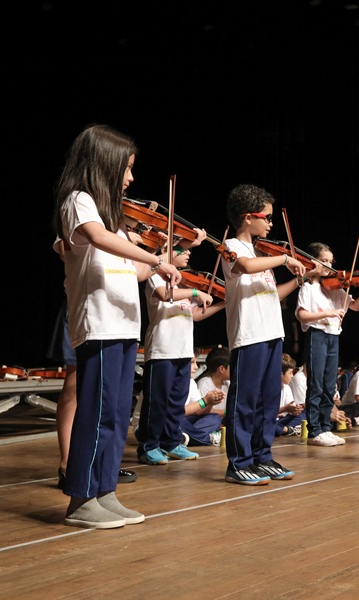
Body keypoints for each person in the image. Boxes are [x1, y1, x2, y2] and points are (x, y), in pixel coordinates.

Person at [53, 124, 182, 529]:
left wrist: (167, 261)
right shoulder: (78, 202)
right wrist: (154, 256)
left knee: (116, 414)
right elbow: (96, 239)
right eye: (126, 169)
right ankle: (80, 499)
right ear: (104, 165)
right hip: (100, 324)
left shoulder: (117, 222)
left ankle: (105, 490)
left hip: (125, 325)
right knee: (96, 413)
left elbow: (134, 271)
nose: (130, 178)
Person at [221, 184, 307, 485]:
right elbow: (245, 266)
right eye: (266, 217)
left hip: (272, 333)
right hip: (249, 335)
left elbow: (272, 294)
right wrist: (285, 259)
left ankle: (262, 456)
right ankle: (239, 462)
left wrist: (297, 282)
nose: (270, 223)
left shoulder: (260, 253)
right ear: (248, 217)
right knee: (245, 400)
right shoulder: (231, 246)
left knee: (268, 400)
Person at [137, 244, 223, 465]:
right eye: (183, 250)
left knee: (176, 401)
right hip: (162, 348)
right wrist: (195, 292)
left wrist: (223, 303)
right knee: (157, 401)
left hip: (184, 349)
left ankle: (172, 442)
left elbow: (194, 314)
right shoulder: (156, 275)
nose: (188, 253)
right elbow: (164, 295)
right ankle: (149, 445)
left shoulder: (184, 283)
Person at [48, 300, 138, 489]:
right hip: (86, 308)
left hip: (112, 314)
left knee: (109, 389)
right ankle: (66, 464)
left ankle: (103, 466)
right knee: (73, 385)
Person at [295, 242, 359, 447]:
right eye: (323, 260)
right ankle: (315, 430)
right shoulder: (308, 287)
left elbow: (357, 306)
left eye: (330, 261)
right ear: (313, 261)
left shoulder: (335, 288)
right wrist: (328, 313)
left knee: (329, 384)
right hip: (317, 334)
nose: (328, 265)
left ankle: (326, 427)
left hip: (333, 335)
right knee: (315, 383)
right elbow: (302, 315)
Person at [182, 353, 225, 446]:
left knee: (214, 417)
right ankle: (208, 438)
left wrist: (210, 402)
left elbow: (199, 412)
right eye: (192, 363)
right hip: (176, 420)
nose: (196, 367)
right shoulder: (172, 381)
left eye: (196, 362)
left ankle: (186, 437)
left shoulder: (191, 382)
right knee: (177, 421)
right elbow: (176, 412)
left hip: (188, 423)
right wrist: (204, 401)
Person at [275, 353, 305, 437]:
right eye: (290, 373)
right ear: (281, 374)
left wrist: (295, 410)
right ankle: (287, 430)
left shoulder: (286, 387)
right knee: (265, 426)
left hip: (281, 420)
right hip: (270, 421)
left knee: (304, 414)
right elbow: (265, 413)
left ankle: (286, 429)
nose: (292, 376)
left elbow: (290, 408)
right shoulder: (269, 389)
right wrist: (284, 409)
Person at [196, 345, 230, 417]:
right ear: (222, 369)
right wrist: (225, 412)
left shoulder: (228, 383)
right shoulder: (204, 384)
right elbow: (200, 410)